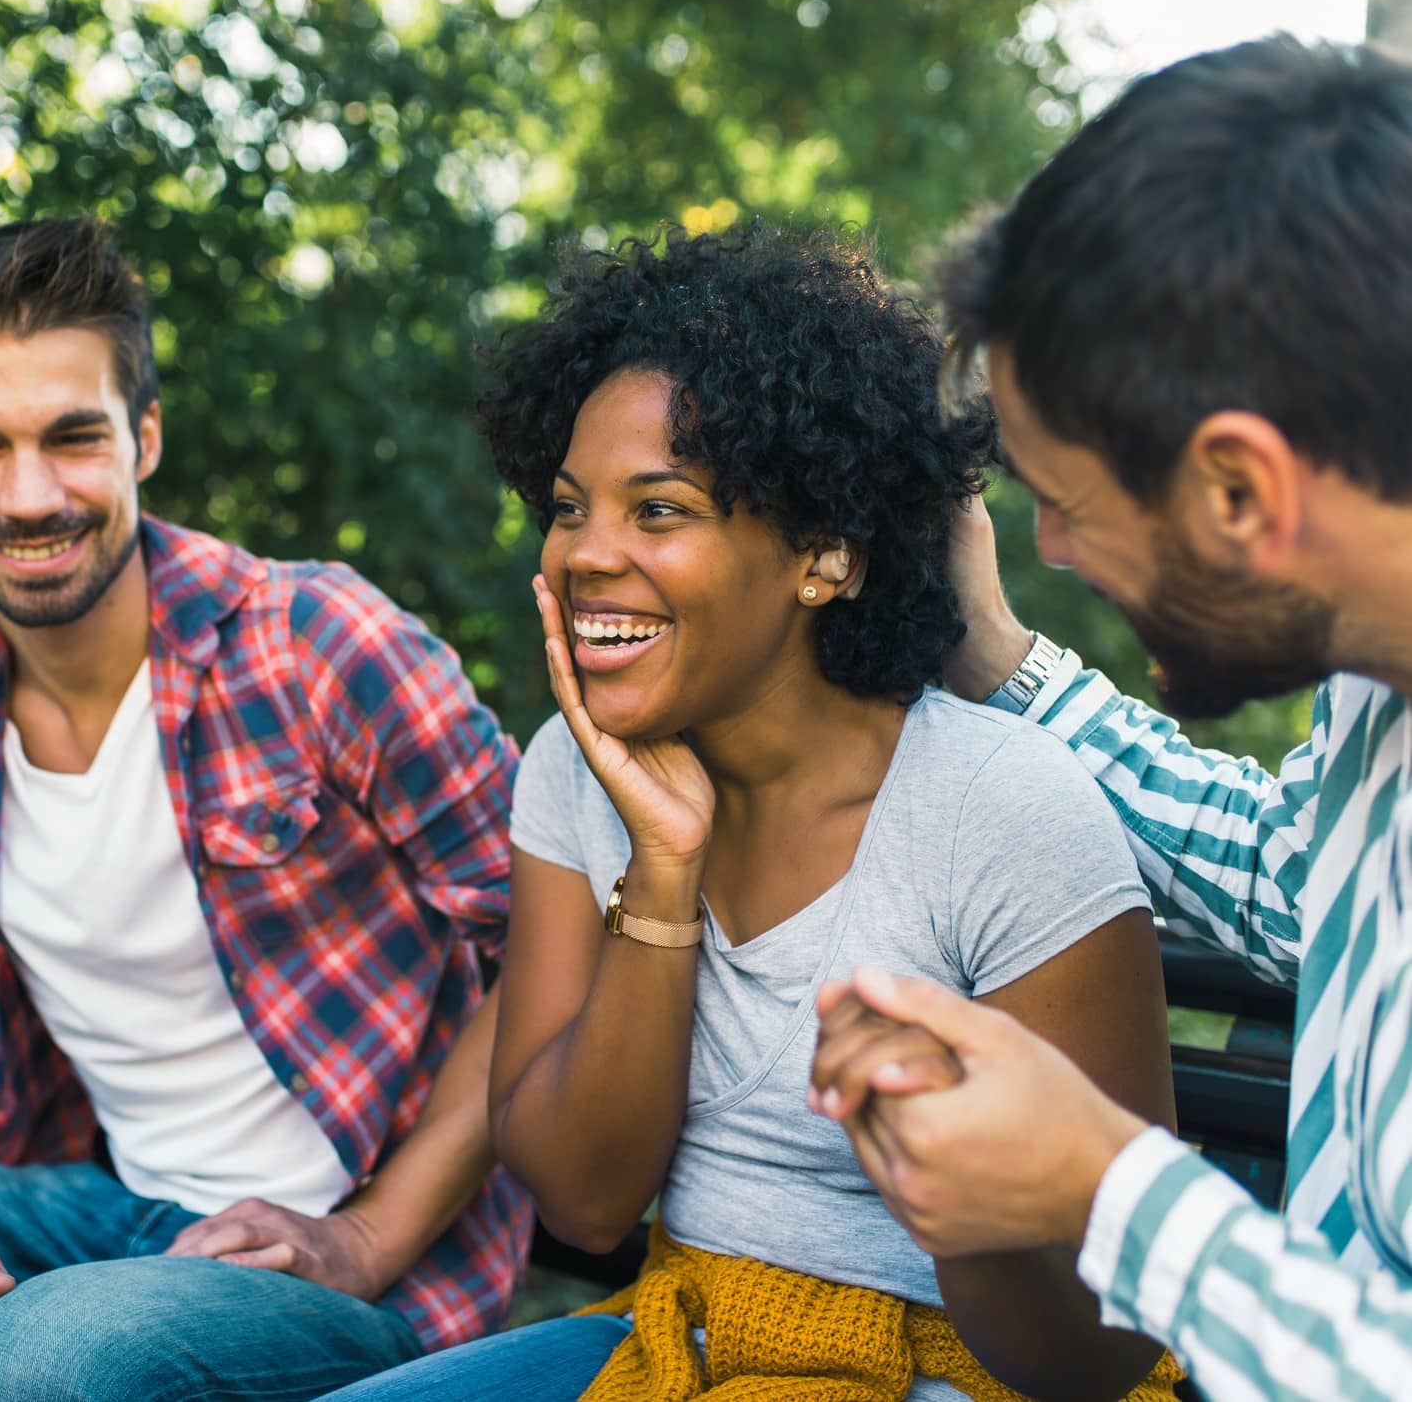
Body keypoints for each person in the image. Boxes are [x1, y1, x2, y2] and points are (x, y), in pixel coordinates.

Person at [324, 222, 1181, 1402]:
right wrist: (662, 878)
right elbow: (582, 1195)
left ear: (823, 554)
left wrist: (960, 1169)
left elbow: (1103, 1342)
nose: (587, 555)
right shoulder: (574, 776)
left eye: (658, 510)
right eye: (572, 508)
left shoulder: (999, 809)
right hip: (686, 1335)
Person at [809, 34, 1412, 1402]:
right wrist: (1003, 661)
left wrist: (1105, 1186)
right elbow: (1295, 882)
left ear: (1240, 492)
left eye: (1064, 499)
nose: (1056, 548)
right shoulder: (1374, 682)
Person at [0, 217, 530, 1400]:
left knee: (42, 1358)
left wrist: (375, 1233)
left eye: (71, 438)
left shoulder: (315, 646)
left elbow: (562, 934)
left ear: (142, 439)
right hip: (104, 1207)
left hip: (348, 1258)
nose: (29, 495)